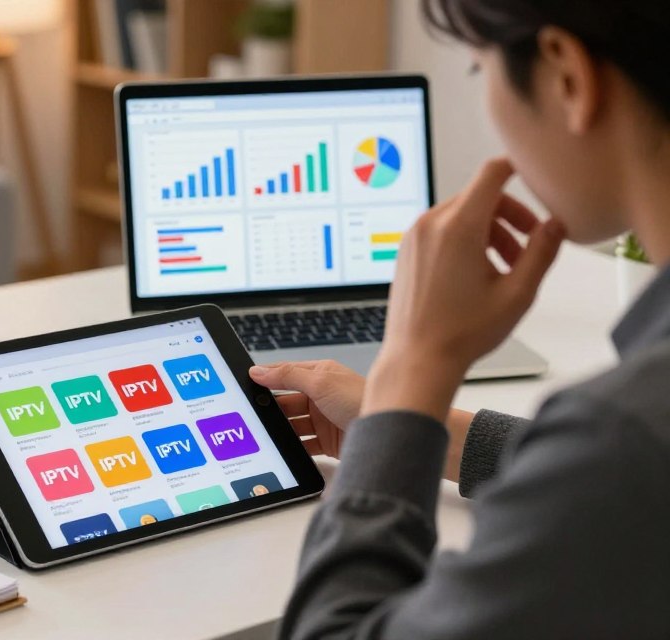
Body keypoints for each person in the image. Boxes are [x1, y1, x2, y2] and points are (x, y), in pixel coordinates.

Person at [248, 0, 670, 637]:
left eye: (480, 70)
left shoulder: (623, 439)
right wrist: (410, 434)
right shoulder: (629, 442)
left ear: (567, 76)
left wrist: (413, 369)